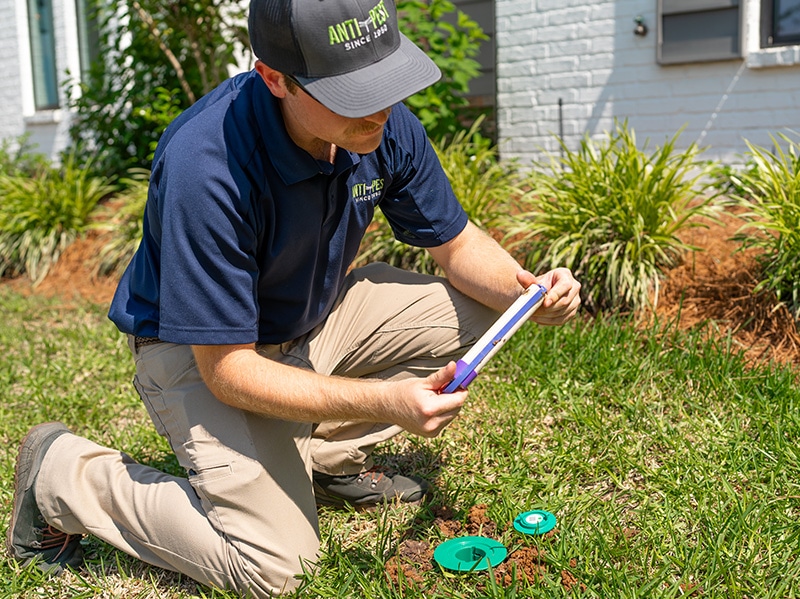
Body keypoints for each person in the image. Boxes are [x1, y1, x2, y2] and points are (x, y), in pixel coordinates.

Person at [6, 0, 581, 594]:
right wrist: (387, 402)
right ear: (275, 79)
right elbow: (228, 372)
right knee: (277, 568)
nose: (380, 106)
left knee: (483, 313)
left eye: (386, 80)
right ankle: (63, 474)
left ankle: (323, 460)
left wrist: (527, 291)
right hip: (203, 354)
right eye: (353, 92)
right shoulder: (207, 166)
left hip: (312, 323)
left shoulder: (379, 122)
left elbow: (458, 247)